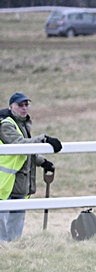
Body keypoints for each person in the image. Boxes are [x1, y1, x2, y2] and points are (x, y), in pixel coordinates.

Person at [0, 92, 61, 242]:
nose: (24, 108)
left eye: (26, 104)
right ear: (11, 106)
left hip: (19, 181)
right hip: (4, 182)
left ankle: (13, 249)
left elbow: (26, 153)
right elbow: (19, 145)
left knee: (16, 221)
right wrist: (43, 139)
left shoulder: (22, 123)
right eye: (20, 105)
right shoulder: (6, 125)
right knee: (2, 222)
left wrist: (43, 162)